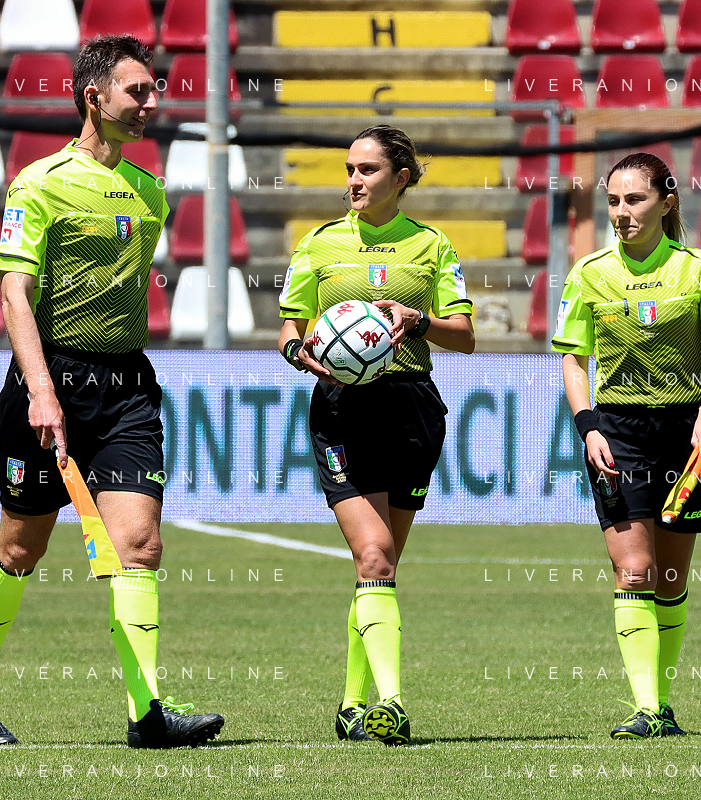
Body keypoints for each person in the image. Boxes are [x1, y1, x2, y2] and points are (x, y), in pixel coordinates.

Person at [0, 35, 224, 749]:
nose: (152, 103)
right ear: (93, 97)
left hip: (127, 387)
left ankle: (146, 712)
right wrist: (42, 392)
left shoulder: (151, 192)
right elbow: (15, 295)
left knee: (139, 544)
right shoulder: (38, 183)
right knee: (21, 549)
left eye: (154, 89)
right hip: (50, 384)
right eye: (138, 91)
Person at [276, 125, 475, 745]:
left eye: (367, 170)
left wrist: (420, 322)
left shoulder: (432, 245)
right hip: (342, 408)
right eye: (349, 169)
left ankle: (351, 705)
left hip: (411, 407)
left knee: (380, 566)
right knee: (374, 555)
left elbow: (465, 336)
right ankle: (391, 704)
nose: (354, 180)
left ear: (401, 178)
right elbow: (288, 331)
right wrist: (300, 354)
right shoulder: (320, 243)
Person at [553, 152, 701, 739]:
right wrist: (588, 426)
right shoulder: (588, 273)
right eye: (613, 201)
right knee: (634, 570)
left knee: (671, 579)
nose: (621, 212)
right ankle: (646, 708)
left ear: (666, 201)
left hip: (687, 432)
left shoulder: (700, 268)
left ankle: (661, 702)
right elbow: (573, 360)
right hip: (617, 432)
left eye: (634, 199)